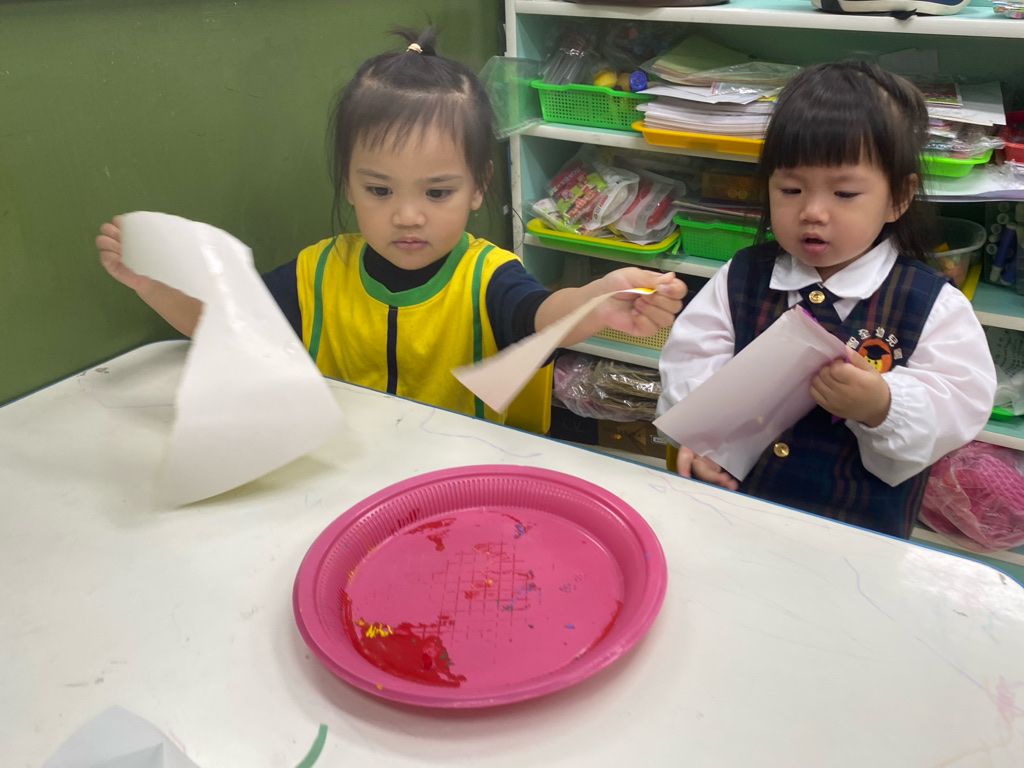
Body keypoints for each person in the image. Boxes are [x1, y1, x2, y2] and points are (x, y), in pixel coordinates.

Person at [97, 28, 686, 422]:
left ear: (478, 186)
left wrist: (596, 302)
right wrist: (152, 284)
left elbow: (541, 316)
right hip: (349, 488)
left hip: (459, 493)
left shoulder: (488, 277)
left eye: (437, 192)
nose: (407, 215)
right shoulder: (317, 273)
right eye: (379, 190)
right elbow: (233, 329)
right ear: (348, 185)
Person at [657, 60, 996, 539]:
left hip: (856, 534)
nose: (813, 211)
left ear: (898, 197)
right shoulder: (743, 276)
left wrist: (883, 404)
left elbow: (960, 403)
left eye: (845, 193)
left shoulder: (931, 303)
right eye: (791, 189)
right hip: (736, 513)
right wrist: (705, 436)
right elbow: (691, 358)